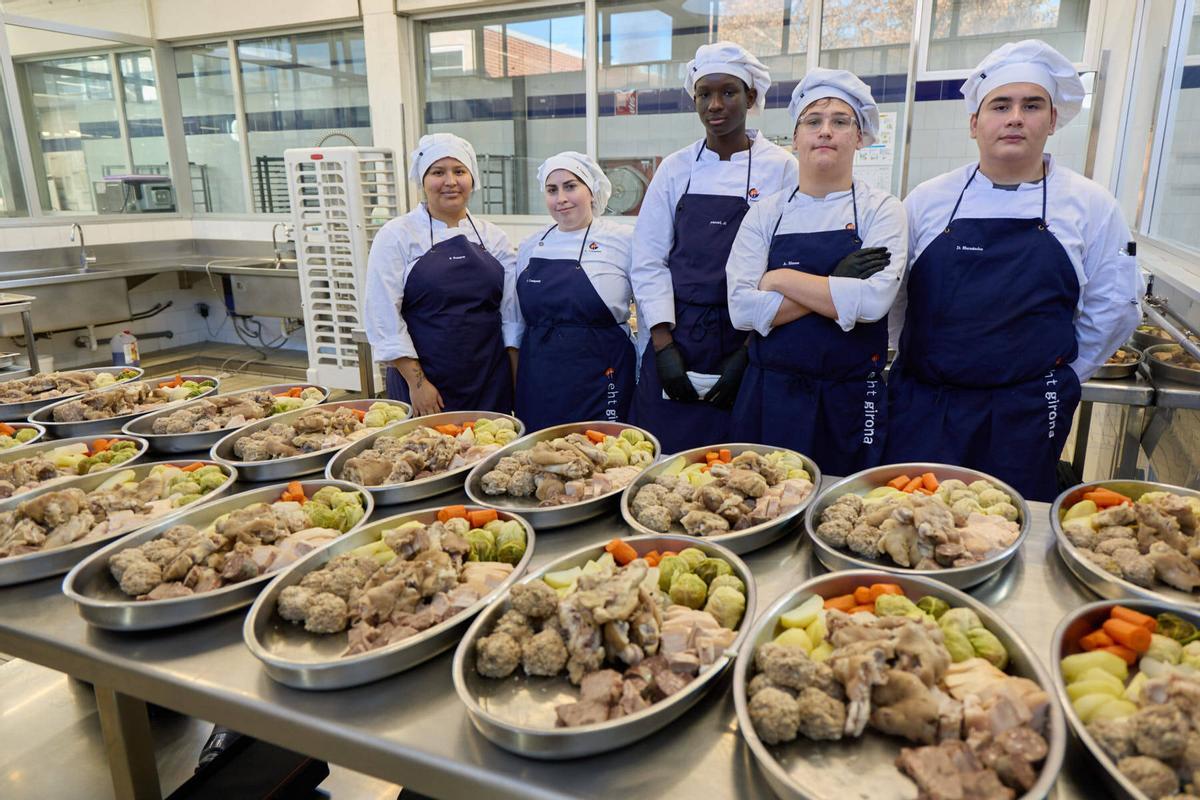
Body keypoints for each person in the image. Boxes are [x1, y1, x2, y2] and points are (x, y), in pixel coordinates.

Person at [885, 40, 1143, 501]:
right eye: (1000, 105)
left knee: (1015, 521)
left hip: (1024, 412)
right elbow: (896, 298)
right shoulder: (928, 199)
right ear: (974, 123)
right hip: (926, 403)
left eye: (1031, 105)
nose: (1015, 117)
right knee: (913, 519)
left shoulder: (1090, 205)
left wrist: (1058, 376)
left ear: (1052, 120)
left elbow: (1115, 307)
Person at [726, 68, 906, 474]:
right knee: (759, 503)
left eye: (841, 122)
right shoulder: (765, 214)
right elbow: (741, 311)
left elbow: (872, 303)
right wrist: (836, 282)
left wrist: (777, 280)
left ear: (858, 138)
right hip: (769, 394)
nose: (826, 131)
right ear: (796, 138)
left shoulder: (883, 210)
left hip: (850, 399)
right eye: (813, 121)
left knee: (847, 514)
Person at [629, 42, 799, 453]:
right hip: (677, 333)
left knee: (738, 463)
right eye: (704, 94)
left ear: (751, 98)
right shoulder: (675, 168)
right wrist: (663, 346)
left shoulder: (782, 168)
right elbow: (648, 261)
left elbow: (784, 264)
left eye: (728, 92)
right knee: (660, 458)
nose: (715, 104)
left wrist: (748, 351)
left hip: (748, 335)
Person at [364, 133, 520, 415]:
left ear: (472, 178)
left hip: (489, 380)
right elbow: (383, 315)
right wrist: (418, 384)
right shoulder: (398, 236)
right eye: (438, 172)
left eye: (459, 171)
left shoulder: (493, 238)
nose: (450, 182)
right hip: (425, 384)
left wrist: (514, 380)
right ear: (423, 181)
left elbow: (511, 316)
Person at [512, 152, 637, 430]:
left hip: (603, 376)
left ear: (591, 191)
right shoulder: (531, 246)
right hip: (539, 378)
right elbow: (516, 322)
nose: (561, 198)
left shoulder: (623, 241)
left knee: (606, 457)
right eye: (552, 190)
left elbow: (648, 311)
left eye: (571, 186)